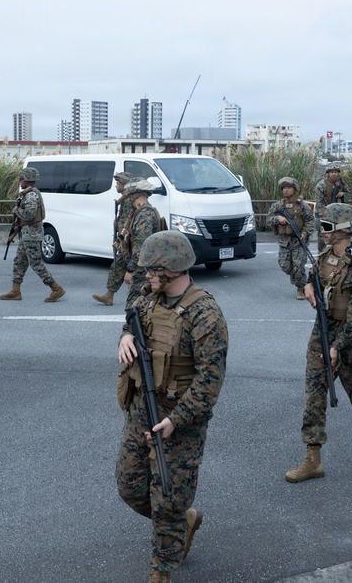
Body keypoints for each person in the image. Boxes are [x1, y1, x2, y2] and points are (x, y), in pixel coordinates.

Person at [115, 230, 228, 583]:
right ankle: (182, 520)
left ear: (173, 270)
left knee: (166, 500)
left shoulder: (205, 315)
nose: (145, 275)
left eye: (152, 270)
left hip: (180, 420)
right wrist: (126, 335)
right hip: (141, 410)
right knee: (130, 486)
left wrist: (176, 420)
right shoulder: (150, 298)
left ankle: (162, 570)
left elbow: (211, 380)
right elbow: (131, 315)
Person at [285, 202, 352, 483]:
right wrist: (308, 287)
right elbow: (311, 279)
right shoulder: (324, 257)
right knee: (314, 397)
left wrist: (337, 346)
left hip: (351, 340)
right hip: (322, 333)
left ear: (344, 231)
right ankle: (313, 459)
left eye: (328, 227)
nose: (323, 231)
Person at [0, 167, 65, 302]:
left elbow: (29, 215)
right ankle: (15, 291)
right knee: (19, 261)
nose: (20, 182)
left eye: (21, 179)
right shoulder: (28, 194)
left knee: (36, 263)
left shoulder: (31, 196)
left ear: (27, 180)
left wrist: (17, 210)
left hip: (32, 234)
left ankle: (56, 288)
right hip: (27, 234)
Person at [267, 176, 314, 300]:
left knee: (298, 267)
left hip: (298, 241)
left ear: (295, 189)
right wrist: (278, 219)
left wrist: (305, 233)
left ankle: (301, 288)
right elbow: (268, 220)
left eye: (288, 187)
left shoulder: (303, 206)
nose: (285, 190)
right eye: (284, 188)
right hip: (284, 241)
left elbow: (310, 222)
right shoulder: (277, 206)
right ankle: (298, 279)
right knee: (285, 266)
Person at [93, 171, 135, 306]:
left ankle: (135, 300)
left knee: (130, 270)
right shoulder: (125, 199)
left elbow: (129, 222)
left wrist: (120, 239)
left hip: (129, 242)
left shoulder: (128, 200)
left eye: (118, 183)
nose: (116, 185)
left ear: (124, 184)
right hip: (124, 241)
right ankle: (109, 295)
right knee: (117, 268)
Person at [119, 179, 162, 310]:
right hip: (145, 269)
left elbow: (141, 247)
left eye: (130, 195)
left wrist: (130, 271)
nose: (129, 198)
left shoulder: (144, 215)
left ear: (134, 195)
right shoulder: (143, 212)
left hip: (143, 270)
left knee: (133, 309)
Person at [313, 163, 348, 253]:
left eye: (336, 172)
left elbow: (349, 196)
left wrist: (343, 194)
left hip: (336, 214)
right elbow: (318, 201)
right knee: (322, 236)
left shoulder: (341, 184)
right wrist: (324, 213)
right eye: (332, 172)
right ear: (328, 173)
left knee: (337, 236)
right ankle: (321, 255)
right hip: (323, 214)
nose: (334, 174)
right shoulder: (321, 185)